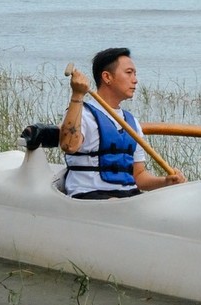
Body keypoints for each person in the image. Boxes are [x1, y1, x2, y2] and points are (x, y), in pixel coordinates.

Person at [60, 47, 185, 198]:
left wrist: (165, 182)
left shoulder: (132, 122)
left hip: (127, 197)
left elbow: (138, 176)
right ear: (107, 77)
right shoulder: (83, 114)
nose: (135, 80)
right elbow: (68, 145)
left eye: (135, 74)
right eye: (129, 73)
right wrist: (77, 94)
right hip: (89, 196)